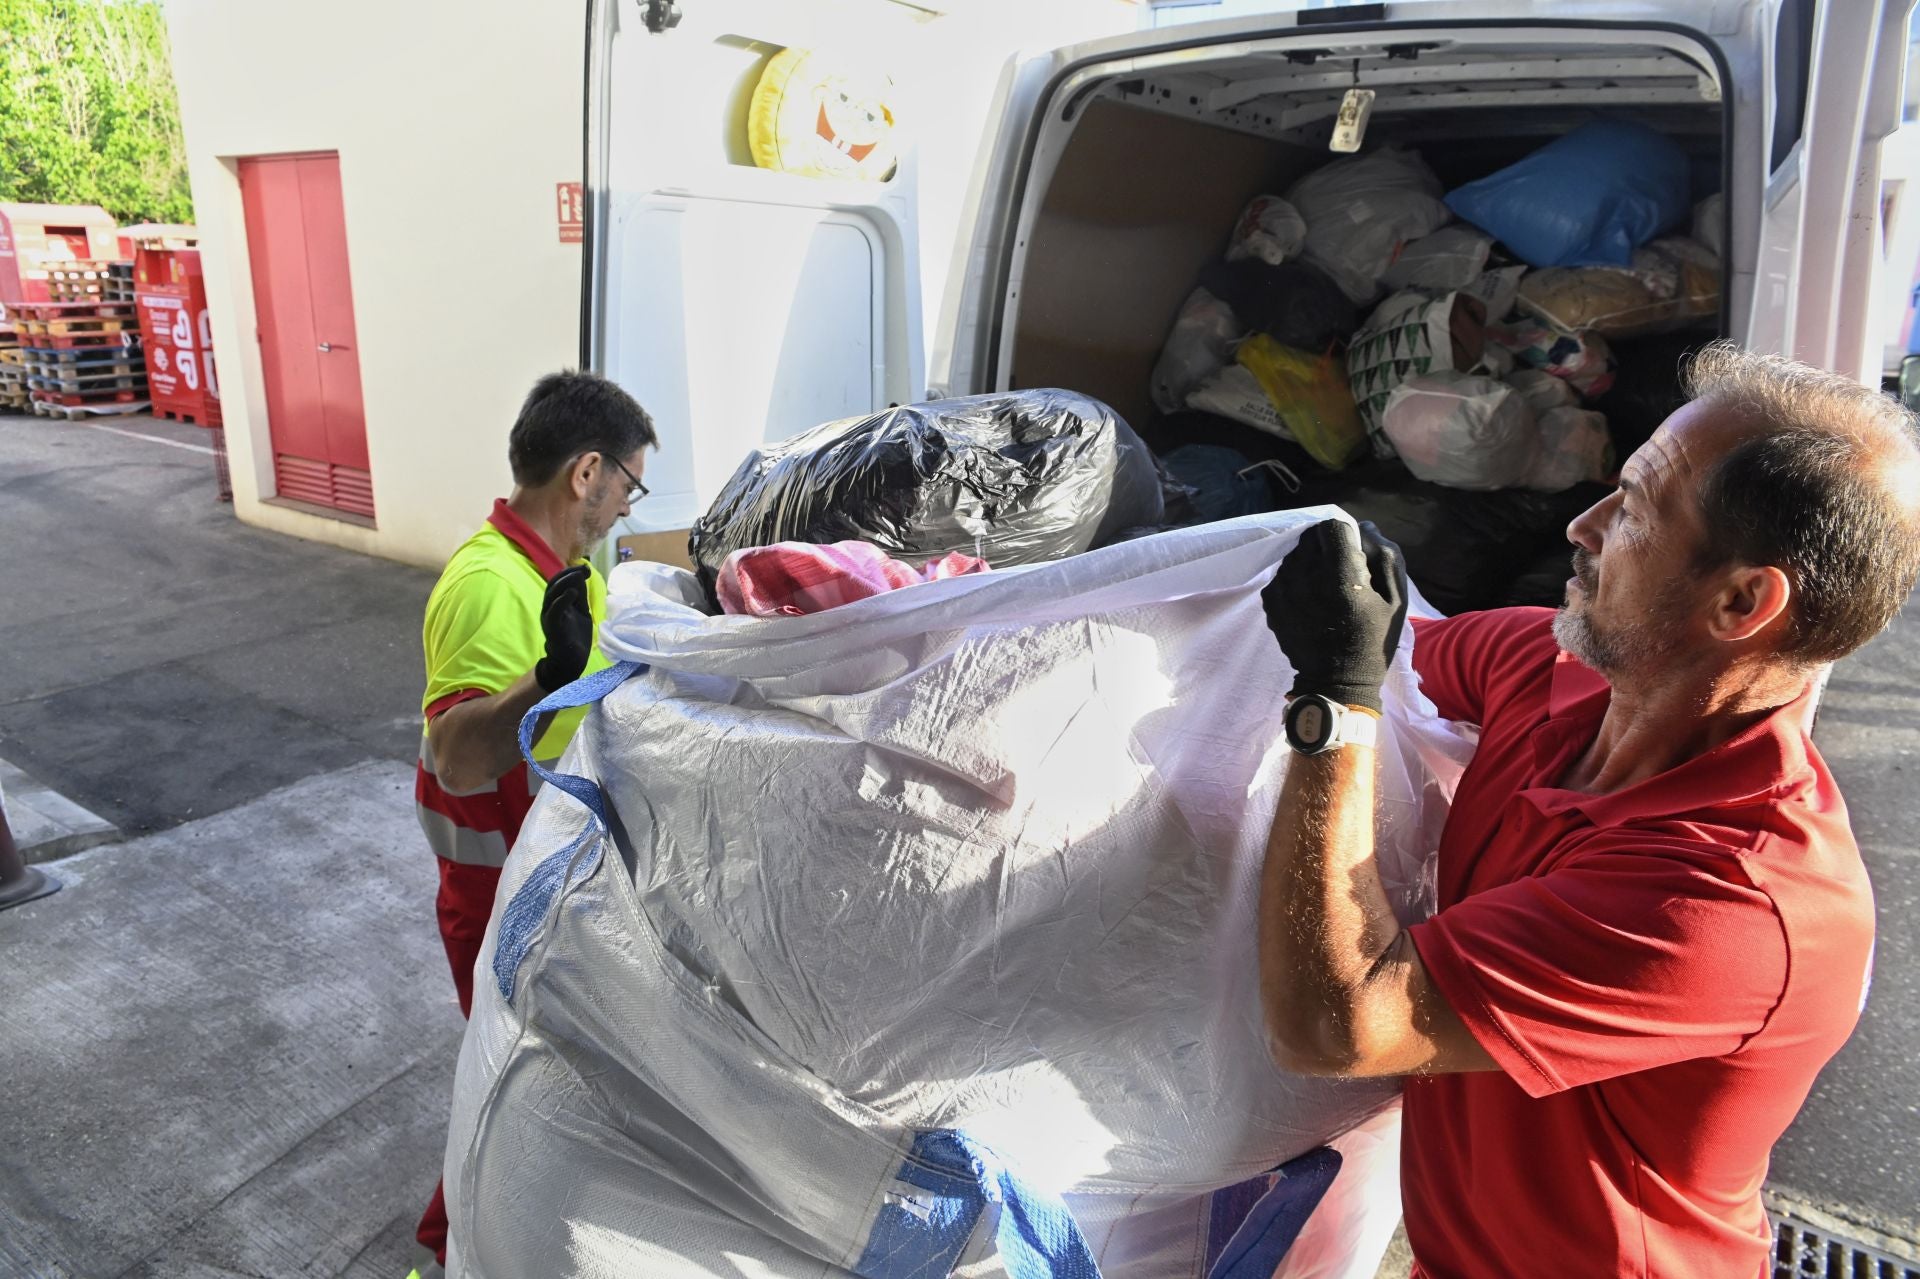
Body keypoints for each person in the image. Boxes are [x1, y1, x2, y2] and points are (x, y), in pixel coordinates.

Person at [1256, 342, 1920, 1276]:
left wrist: (1333, 701)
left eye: (1636, 507)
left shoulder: (1731, 901)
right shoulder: (1548, 669)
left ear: (1741, 601)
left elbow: (1336, 1022)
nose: (1584, 524)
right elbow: (1375, 650)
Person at [408, 370, 657, 1275]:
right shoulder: (488, 585)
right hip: (498, 905)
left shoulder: (561, 575)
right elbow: (457, 756)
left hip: (537, 887)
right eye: (629, 485)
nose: (626, 508)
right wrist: (543, 680)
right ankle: (449, 1250)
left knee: (525, 1090)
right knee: (512, 1093)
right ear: (587, 472)